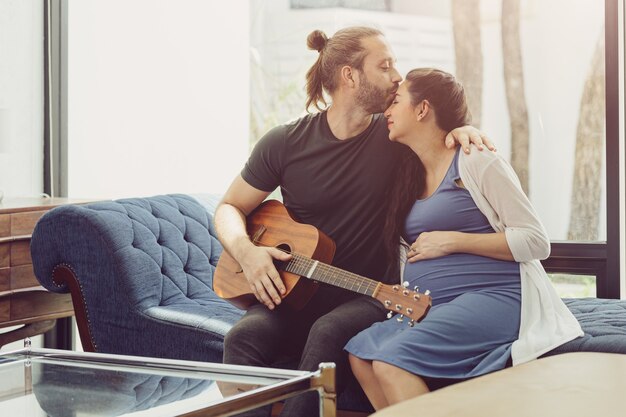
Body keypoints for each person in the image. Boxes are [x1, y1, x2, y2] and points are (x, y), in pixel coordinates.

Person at [215, 28, 492, 417]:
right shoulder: (284, 143)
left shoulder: (396, 136)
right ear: (350, 76)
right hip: (293, 291)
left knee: (327, 332)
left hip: (369, 295)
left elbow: (440, 136)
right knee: (242, 336)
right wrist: (246, 252)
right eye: (385, 65)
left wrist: (463, 130)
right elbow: (229, 207)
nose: (397, 76)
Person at [345, 68, 584, 410]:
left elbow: (535, 241)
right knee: (361, 355)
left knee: (391, 362)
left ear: (422, 109)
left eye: (396, 102)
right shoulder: (410, 172)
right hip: (432, 305)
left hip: (494, 297)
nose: (387, 112)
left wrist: (453, 241)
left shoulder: (476, 160)